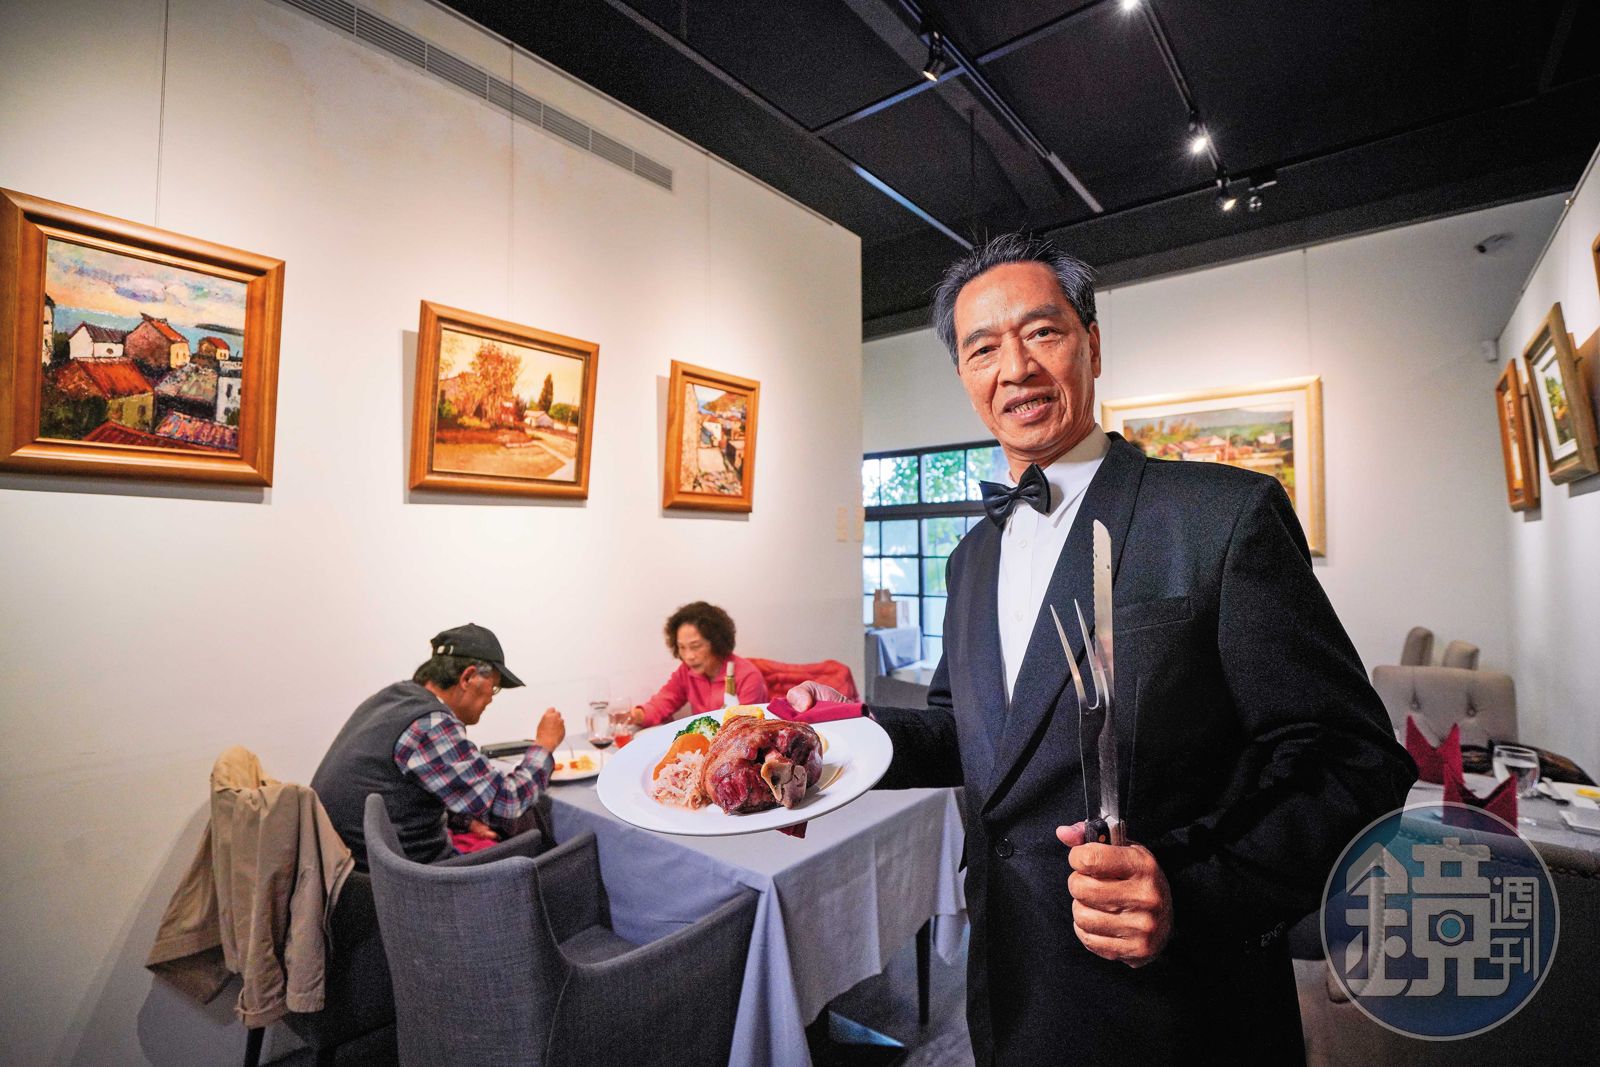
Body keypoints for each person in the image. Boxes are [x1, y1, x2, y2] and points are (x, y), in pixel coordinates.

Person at [790, 234, 1416, 1065]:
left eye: (1041, 332)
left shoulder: (1222, 516)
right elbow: (965, 731)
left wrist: (1188, 889)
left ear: (1091, 341)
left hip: (1179, 1011)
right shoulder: (969, 558)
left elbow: (1354, 762)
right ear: (965, 376)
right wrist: (834, 736)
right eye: (983, 348)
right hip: (1011, 983)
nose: (1015, 368)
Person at [312, 622, 565, 869]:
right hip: (407, 878)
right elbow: (507, 804)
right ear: (468, 678)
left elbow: (409, 788)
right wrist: (544, 746)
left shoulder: (391, 698)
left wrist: (464, 819)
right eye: (494, 687)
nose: (491, 698)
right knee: (549, 848)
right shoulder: (430, 724)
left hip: (352, 869)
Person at [630, 601, 768, 727]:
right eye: (682, 647)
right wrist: (637, 715)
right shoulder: (686, 671)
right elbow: (663, 702)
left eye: (695, 646)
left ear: (716, 642)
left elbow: (749, 729)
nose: (688, 656)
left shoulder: (748, 676)